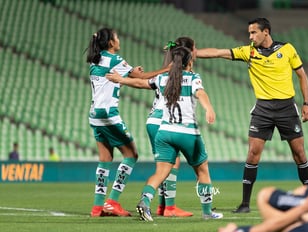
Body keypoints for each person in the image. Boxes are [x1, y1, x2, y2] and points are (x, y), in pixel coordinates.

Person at [197, 17, 308, 213]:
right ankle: (245, 204)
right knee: (252, 155)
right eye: (249, 33)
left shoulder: (287, 49)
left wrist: (307, 103)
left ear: (265, 32)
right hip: (263, 109)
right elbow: (219, 53)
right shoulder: (249, 52)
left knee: (299, 154)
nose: (250, 36)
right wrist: (194, 53)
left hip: (287, 108)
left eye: (253, 32)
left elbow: (302, 75)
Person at [106, 46, 223, 221]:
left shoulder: (161, 78)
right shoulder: (193, 78)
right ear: (189, 61)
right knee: (203, 171)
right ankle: (207, 212)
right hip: (187, 133)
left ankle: (145, 201)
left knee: (161, 173)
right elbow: (201, 93)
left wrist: (120, 80)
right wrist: (209, 108)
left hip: (165, 133)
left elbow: (140, 83)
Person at [85, 27, 169, 217]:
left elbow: (117, 79)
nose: (119, 39)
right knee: (131, 154)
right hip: (108, 115)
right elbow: (140, 78)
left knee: (105, 159)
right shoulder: (114, 59)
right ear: (111, 43)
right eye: (116, 37)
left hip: (94, 115)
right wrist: (167, 69)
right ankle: (113, 201)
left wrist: (128, 75)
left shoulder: (95, 61)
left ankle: (98, 207)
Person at [147, 37, 198, 218]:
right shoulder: (180, 73)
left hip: (154, 119)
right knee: (170, 163)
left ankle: (163, 206)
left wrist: (124, 79)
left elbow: (145, 82)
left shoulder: (168, 70)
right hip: (163, 120)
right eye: (195, 48)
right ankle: (168, 207)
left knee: (165, 164)